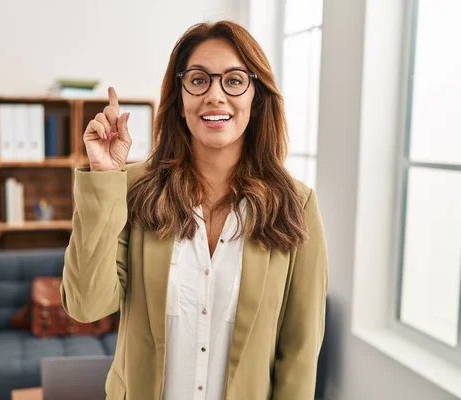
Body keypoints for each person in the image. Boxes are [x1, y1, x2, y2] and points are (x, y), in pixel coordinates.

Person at [61, 20, 328, 400]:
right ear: (180, 98)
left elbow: (300, 354)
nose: (215, 96)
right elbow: (86, 306)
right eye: (199, 80)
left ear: (256, 97)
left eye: (234, 80)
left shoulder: (295, 204)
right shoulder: (133, 189)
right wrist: (105, 178)